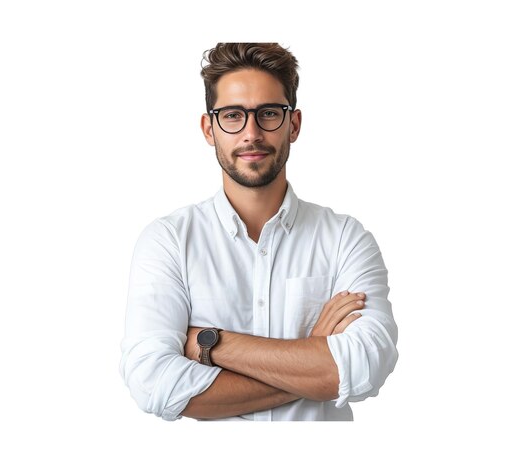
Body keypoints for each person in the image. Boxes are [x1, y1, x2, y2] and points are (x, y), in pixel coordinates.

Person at [119, 42, 398, 421]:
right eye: (233, 115)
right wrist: (313, 355)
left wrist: (210, 344)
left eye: (268, 113)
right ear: (209, 128)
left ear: (293, 125)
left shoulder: (346, 239)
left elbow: (364, 367)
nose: (251, 133)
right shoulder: (168, 242)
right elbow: (155, 385)